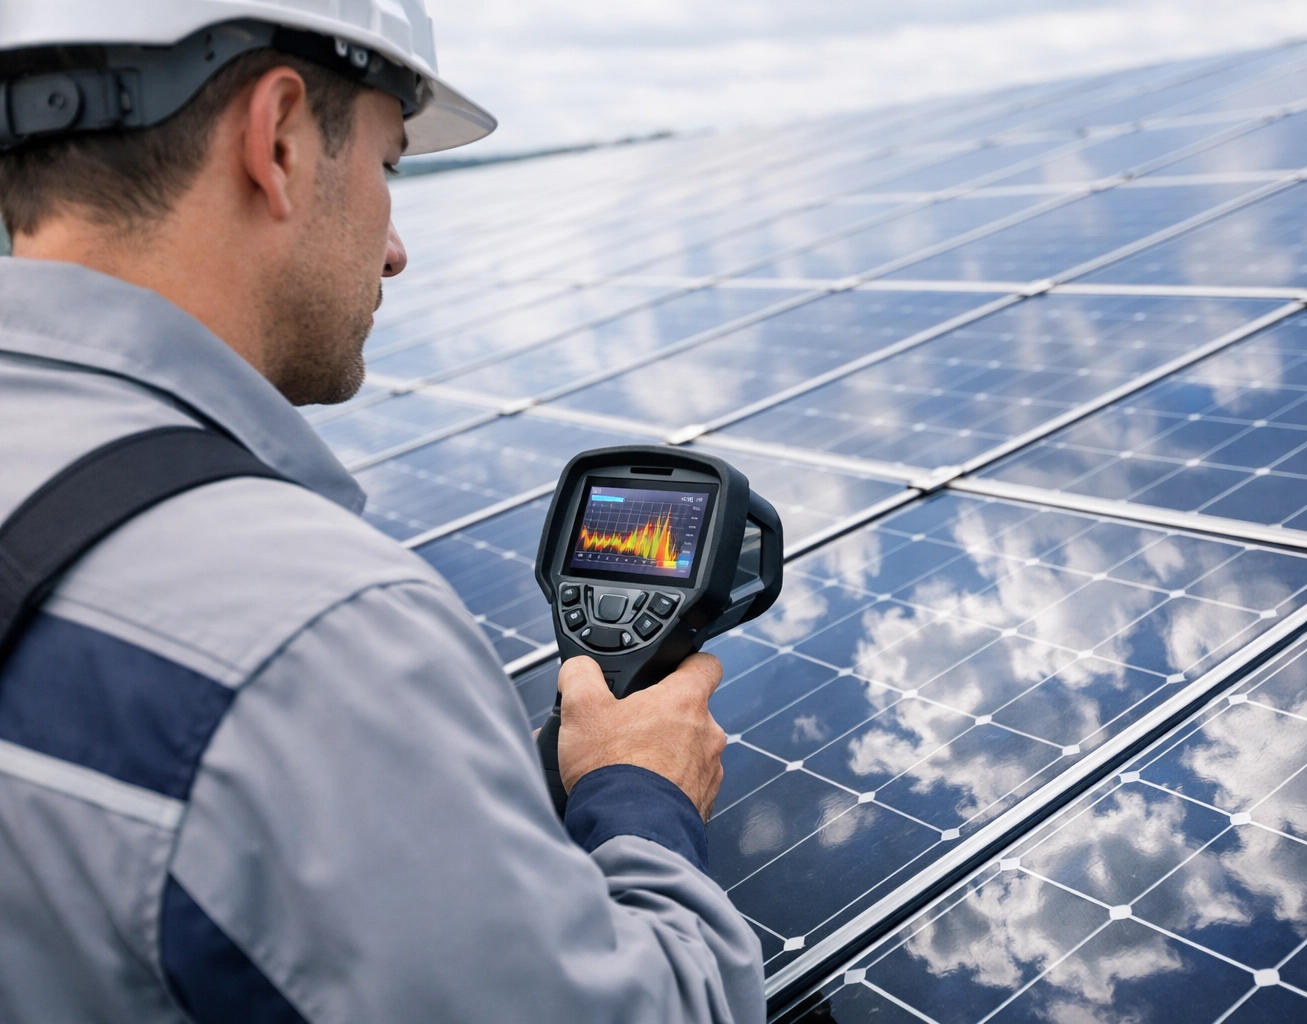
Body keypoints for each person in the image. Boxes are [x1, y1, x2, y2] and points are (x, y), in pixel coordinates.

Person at [0, 3, 762, 1021]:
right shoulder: (312, 640)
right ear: (275, 141)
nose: (396, 248)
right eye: (389, 166)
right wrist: (638, 792)